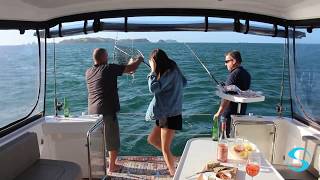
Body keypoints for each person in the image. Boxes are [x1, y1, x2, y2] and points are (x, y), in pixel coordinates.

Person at [86, 48, 143, 173]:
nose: (108, 58)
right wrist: (139, 60)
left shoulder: (89, 71)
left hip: (92, 113)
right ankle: (112, 166)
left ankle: (100, 163)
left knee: (98, 140)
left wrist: (128, 66)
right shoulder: (108, 68)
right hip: (106, 111)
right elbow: (130, 69)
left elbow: (123, 71)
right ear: (103, 57)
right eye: (107, 56)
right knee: (113, 140)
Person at [145, 48, 187, 176]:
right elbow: (184, 83)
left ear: (155, 61)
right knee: (152, 139)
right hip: (165, 114)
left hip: (169, 115)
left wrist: (152, 71)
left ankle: (174, 173)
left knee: (165, 148)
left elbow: (153, 89)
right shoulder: (173, 71)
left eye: (152, 62)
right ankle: (172, 161)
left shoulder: (169, 72)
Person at [214, 50, 251, 137]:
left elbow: (227, 97)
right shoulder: (246, 74)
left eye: (227, 61)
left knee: (224, 138)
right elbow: (239, 91)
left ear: (233, 61)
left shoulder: (233, 74)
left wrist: (218, 113)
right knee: (235, 137)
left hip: (229, 114)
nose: (225, 64)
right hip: (241, 112)